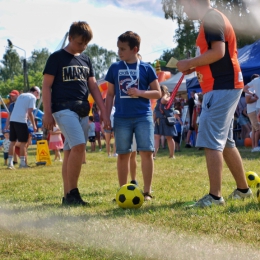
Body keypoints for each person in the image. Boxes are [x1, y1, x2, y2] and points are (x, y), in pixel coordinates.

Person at [177, 0, 252, 208]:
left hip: (221, 86)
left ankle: (215, 197)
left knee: (211, 139)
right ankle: (243, 190)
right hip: (225, 84)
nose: (183, 9)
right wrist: (195, 66)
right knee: (225, 142)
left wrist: (190, 63)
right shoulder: (213, 17)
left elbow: (218, 52)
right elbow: (218, 55)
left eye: (184, 4)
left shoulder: (211, 18)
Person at [42, 21, 109, 206]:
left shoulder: (86, 60)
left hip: (82, 109)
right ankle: (73, 193)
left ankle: (67, 196)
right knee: (80, 145)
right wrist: (47, 113)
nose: (83, 46)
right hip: (62, 109)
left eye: (86, 44)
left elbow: (93, 87)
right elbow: (46, 86)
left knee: (71, 149)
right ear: (70, 38)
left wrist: (103, 111)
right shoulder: (56, 58)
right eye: (79, 43)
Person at [105, 31, 161, 201]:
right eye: (118, 48)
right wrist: (107, 116)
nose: (119, 52)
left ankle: (147, 192)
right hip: (121, 117)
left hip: (143, 116)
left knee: (146, 153)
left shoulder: (146, 68)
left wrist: (139, 92)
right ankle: (122, 191)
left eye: (123, 49)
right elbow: (109, 95)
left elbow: (158, 93)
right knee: (122, 154)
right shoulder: (115, 68)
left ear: (135, 49)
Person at [7, 86, 39, 169]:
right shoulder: (32, 97)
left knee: (12, 142)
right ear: (36, 92)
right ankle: (22, 164)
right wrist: (34, 125)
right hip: (21, 120)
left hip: (13, 120)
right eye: (38, 94)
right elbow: (30, 112)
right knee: (23, 143)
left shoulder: (21, 95)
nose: (37, 97)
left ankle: (10, 163)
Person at [153, 85, 177, 159]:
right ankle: (153, 155)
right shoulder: (159, 99)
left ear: (163, 91)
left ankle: (172, 155)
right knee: (156, 137)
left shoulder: (168, 98)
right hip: (159, 120)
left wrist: (166, 94)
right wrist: (153, 121)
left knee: (169, 137)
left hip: (167, 120)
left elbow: (164, 101)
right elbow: (155, 111)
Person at [244, 74, 260, 151]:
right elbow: (247, 101)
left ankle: (254, 147)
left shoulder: (254, 88)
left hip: (255, 109)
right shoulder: (251, 88)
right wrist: (256, 98)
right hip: (252, 110)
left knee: (254, 130)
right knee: (258, 129)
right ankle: (255, 146)